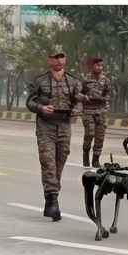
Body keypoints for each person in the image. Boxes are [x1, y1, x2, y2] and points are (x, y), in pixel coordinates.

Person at [25, 44, 83, 222]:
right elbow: (30, 102)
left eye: (62, 57)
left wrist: (76, 109)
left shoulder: (73, 81)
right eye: (56, 57)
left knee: (59, 163)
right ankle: (52, 201)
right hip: (46, 127)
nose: (59, 60)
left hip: (64, 126)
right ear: (48, 59)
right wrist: (42, 108)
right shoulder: (39, 81)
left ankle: (51, 195)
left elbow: (79, 101)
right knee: (47, 162)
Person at [81, 56, 112, 167]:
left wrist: (103, 98)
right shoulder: (86, 79)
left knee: (100, 137)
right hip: (88, 111)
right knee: (90, 133)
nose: (99, 67)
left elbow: (108, 93)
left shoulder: (105, 80)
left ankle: (95, 160)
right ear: (93, 66)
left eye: (101, 65)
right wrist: (85, 97)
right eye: (97, 65)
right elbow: (80, 92)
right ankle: (85, 156)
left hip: (101, 111)